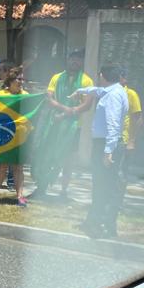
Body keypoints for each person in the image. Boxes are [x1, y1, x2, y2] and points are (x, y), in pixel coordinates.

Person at [71, 65, 129, 238]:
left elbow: (113, 124)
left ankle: (104, 225)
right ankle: (94, 221)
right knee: (100, 185)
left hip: (106, 145)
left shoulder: (113, 96)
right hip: (105, 144)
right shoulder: (111, 91)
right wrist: (80, 90)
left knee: (105, 186)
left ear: (102, 75)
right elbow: (96, 90)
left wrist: (108, 151)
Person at [29, 49, 94, 200]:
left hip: (73, 126)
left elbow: (87, 104)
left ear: (82, 62)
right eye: (72, 58)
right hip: (54, 123)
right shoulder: (57, 77)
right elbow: (49, 98)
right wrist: (66, 109)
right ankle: (41, 187)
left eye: (78, 59)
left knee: (67, 159)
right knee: (46, 154)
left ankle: (63, 191)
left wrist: (68, 113)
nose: (74, 62)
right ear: (67, 60)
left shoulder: (86, 81)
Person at [0, 66, 28, 207]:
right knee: (2, 167)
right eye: (19, 79)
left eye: (23, 79)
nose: (21, 82)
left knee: (18, 167)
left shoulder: (26, 95)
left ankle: (20, 196)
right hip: (4, 136)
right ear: (11, 80)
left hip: (20, 137)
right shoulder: (1, 94)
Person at [120, 68, 143, 170]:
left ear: (125, 79)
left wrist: (131, 141)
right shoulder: (108, 93)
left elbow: (138, 118)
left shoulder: (131, 94)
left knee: (120, 173)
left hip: (123, 141)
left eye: (118, 78)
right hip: (108, 140)